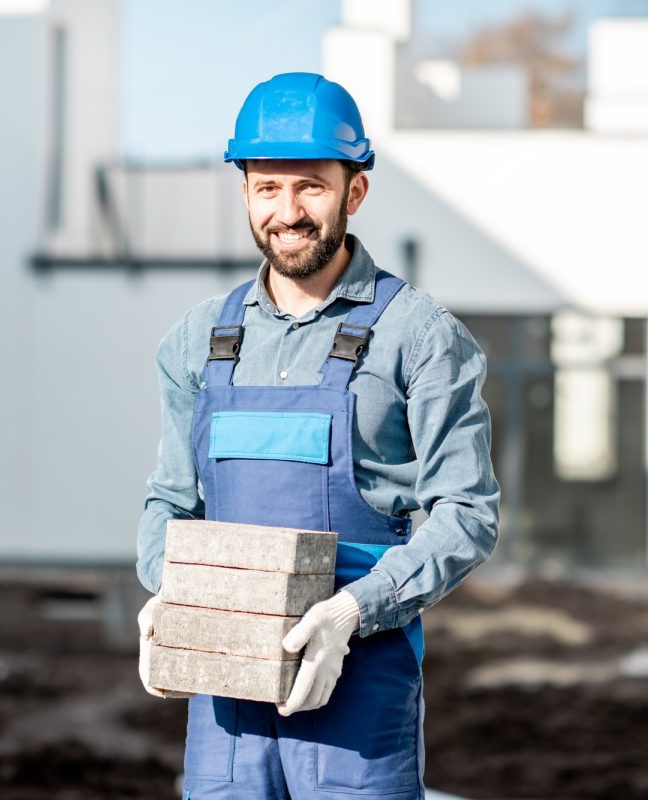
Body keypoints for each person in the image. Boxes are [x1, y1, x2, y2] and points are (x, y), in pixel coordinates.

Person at [136, 72, 500, 800]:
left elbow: (468, 515)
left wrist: (352, 611)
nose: (288, 211)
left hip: (359, 690)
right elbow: (170, 501)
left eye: (311, 187)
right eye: (268, 188)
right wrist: (168, 591)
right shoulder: (199, 340)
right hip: (225, 695)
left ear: (354, 192)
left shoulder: (420, 337)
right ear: (245, 193)